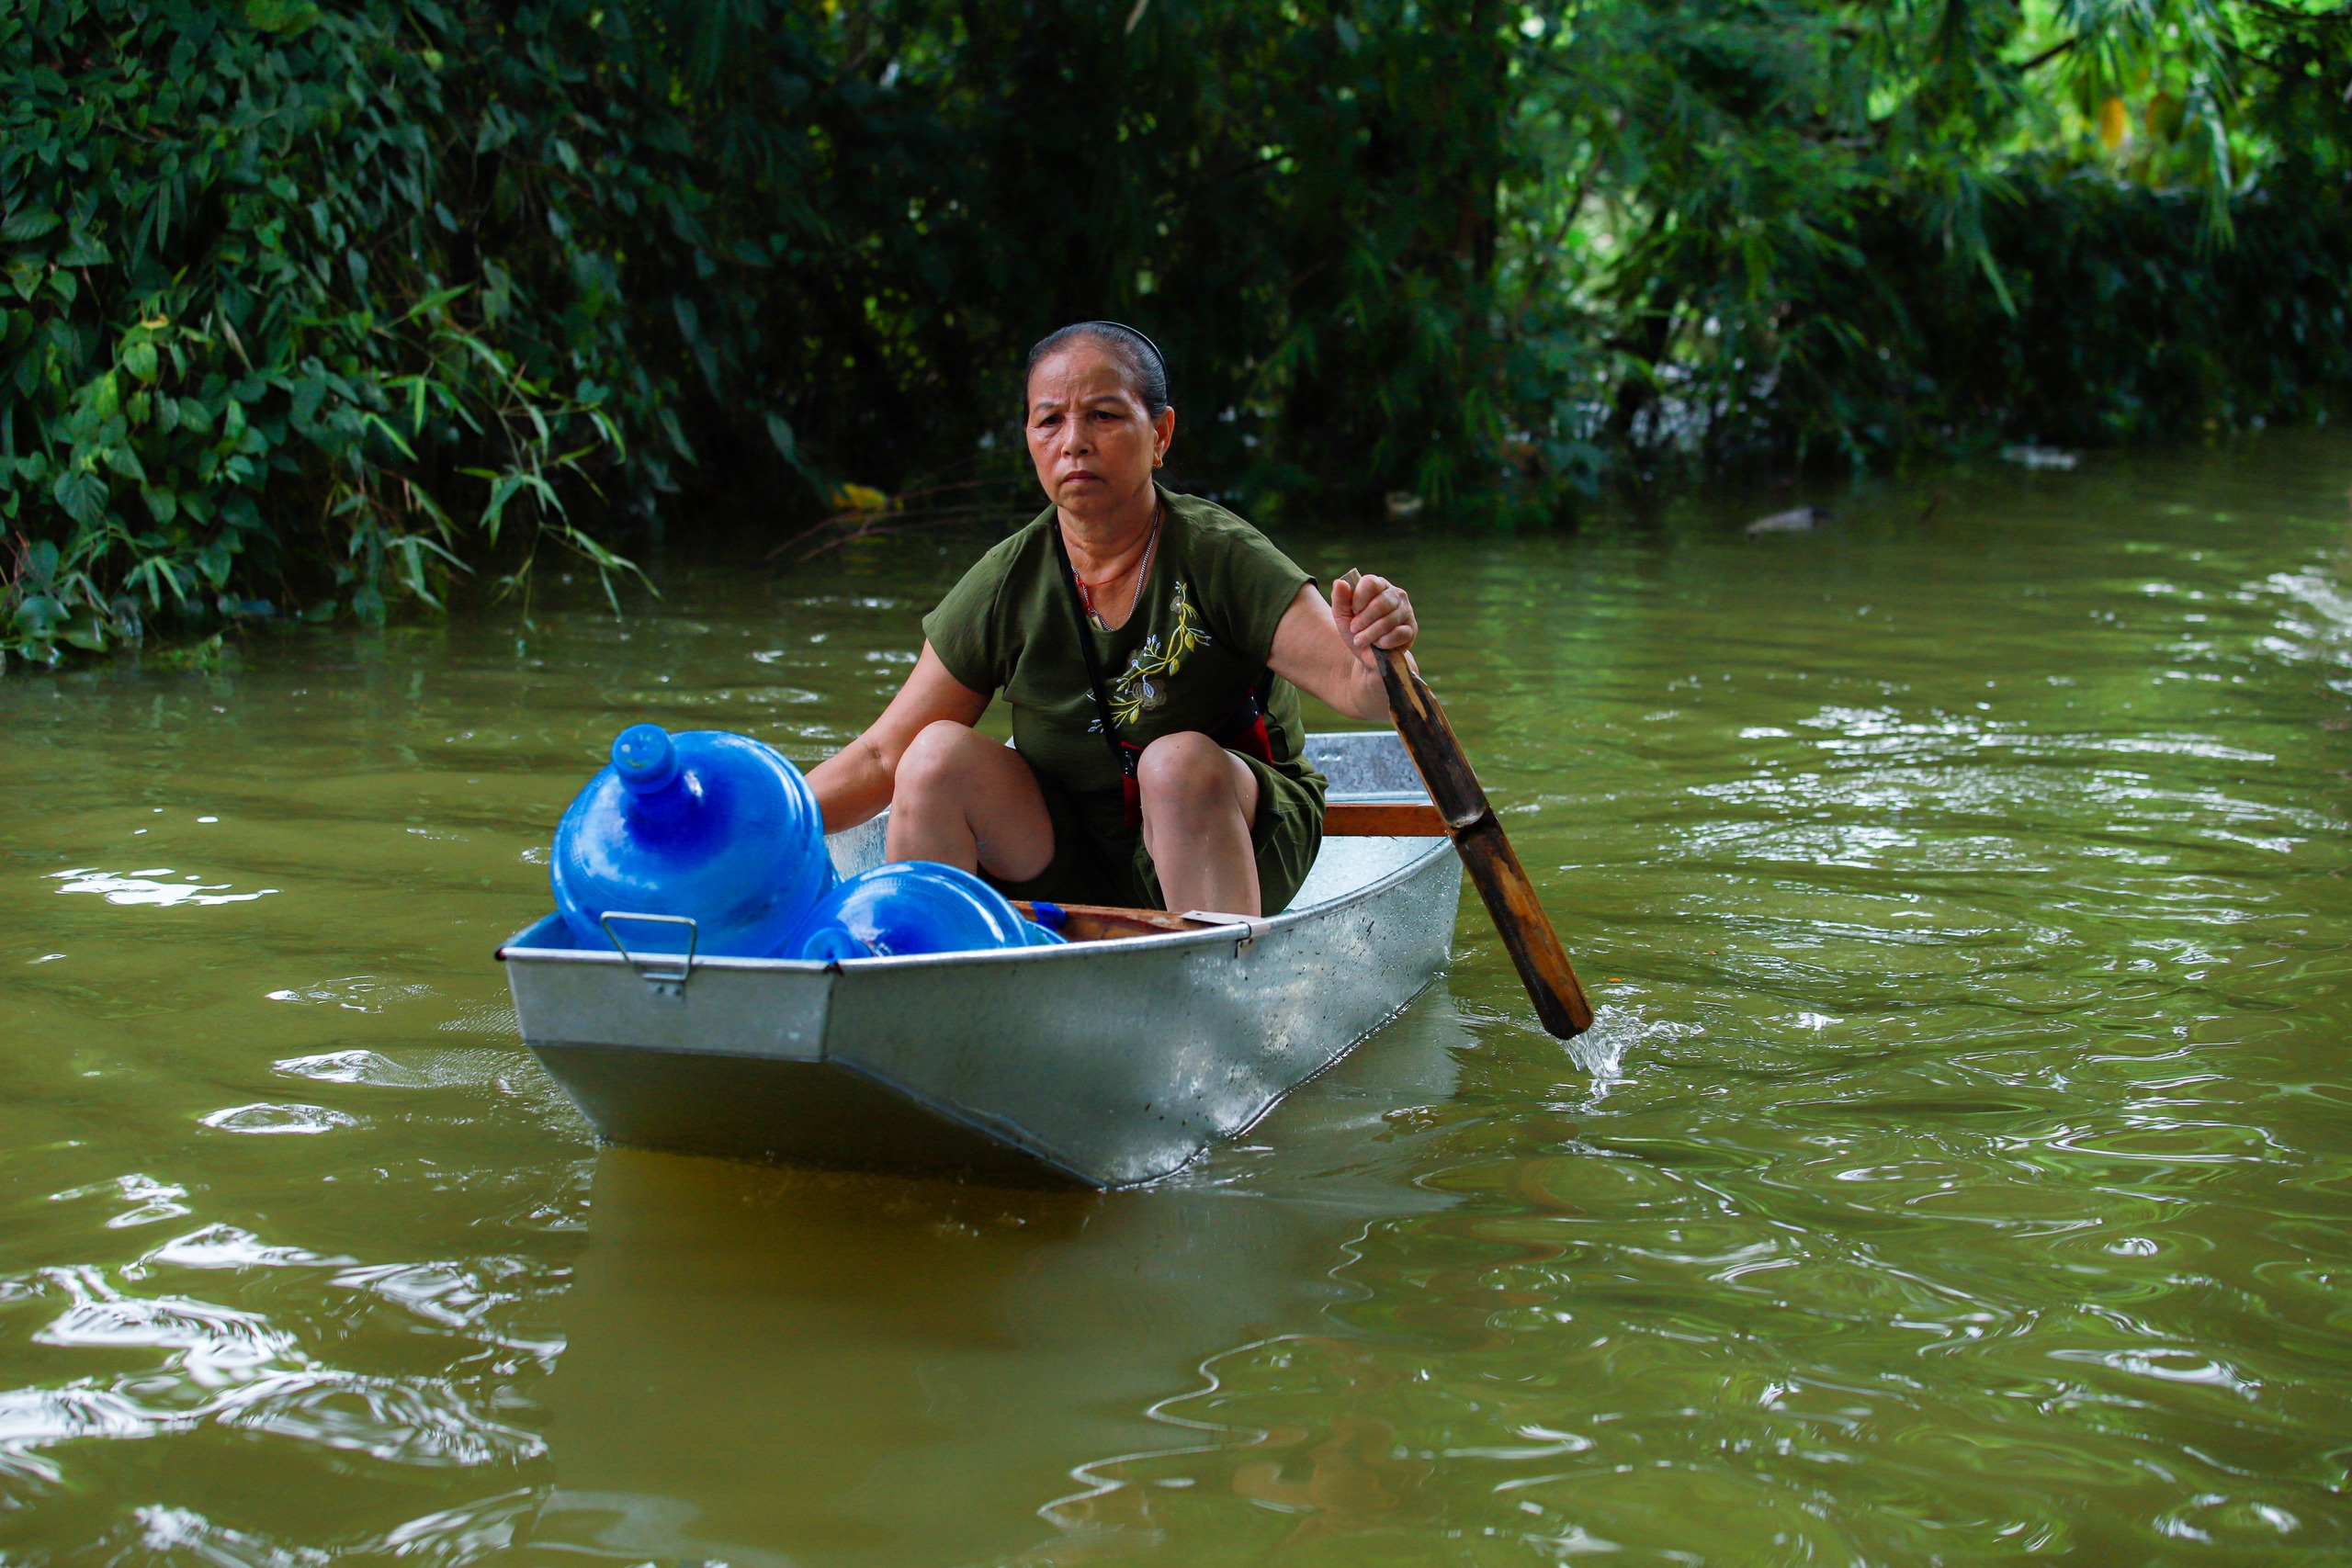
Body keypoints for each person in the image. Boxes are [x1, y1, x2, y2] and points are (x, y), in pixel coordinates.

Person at [805, 321, 1418, 919]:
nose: (1074, 440)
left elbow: (1360, 689)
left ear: (1160, 433)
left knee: (1173, 764)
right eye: (1050, 420)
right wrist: (772, 814)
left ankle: (1218, 990)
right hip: (1066, 848)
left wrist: (1380, 646)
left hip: (1235, 838)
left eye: (1103, 415)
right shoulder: (1008, 580)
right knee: (932, 757)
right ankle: (932, 974)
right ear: (1030, 439)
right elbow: (884, 758)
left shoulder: (1219, 553)